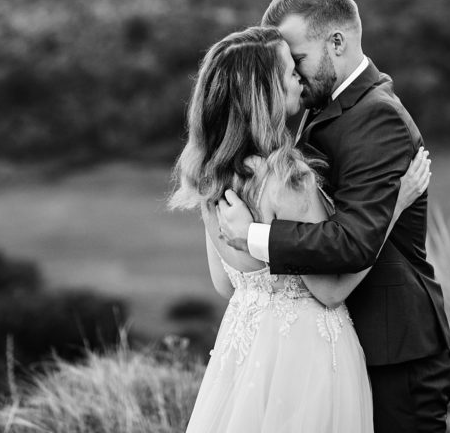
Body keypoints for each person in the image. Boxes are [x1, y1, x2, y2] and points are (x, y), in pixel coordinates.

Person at [217, 0, 450, 433]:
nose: (292, 74)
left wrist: (251, 235)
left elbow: (352, 241)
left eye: (297, 60)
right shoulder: (318, 104)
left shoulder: (377, 116)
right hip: (336, 344)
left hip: (395, 351)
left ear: (337, 42)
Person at [170, 25, 431, 433]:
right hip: (308, 357)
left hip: (247, 351)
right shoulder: (288, 179)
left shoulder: (209, 176)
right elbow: (330, 291)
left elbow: (225, 284)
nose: (299, 78)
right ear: (267, 92)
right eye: (290, 71)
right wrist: (392, 209)